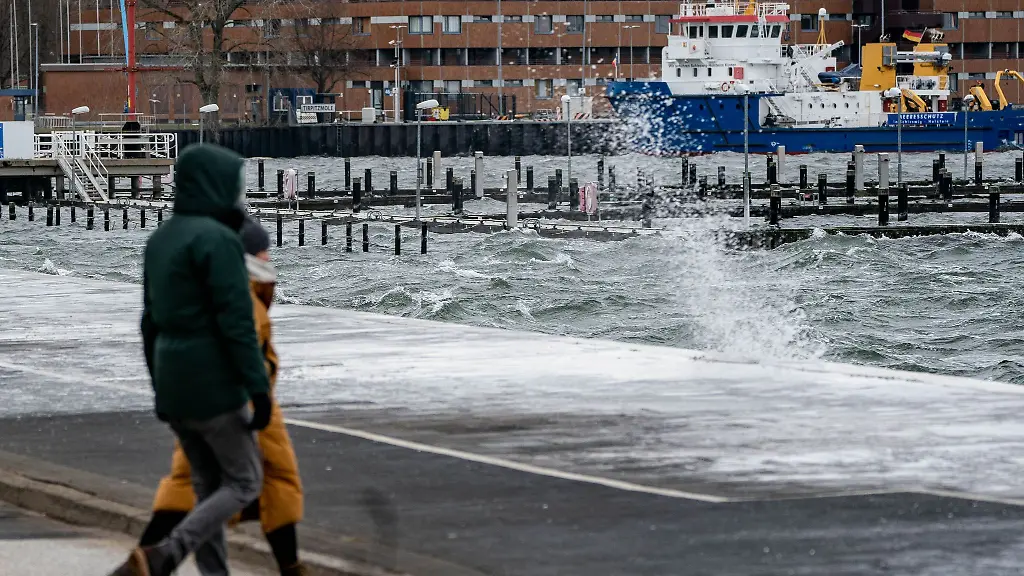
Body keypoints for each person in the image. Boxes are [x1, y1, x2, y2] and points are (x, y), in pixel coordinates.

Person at [111, 144, 272, 576]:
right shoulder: (218, 240)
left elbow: (149, 323)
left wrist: (159, 387)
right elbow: (237, 324)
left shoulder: (161, 239)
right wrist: (258, 388)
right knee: (244, 481)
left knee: (207, 486)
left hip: (173, 379)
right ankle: (166, 553)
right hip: (213, 383)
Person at [138, 215, 306, 576]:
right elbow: (246, 352)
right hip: (235, 404)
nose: (268, 259)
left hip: (195, 400)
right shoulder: (243, 298)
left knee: (200, 486)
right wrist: (257, 398)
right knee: (259, 481)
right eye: (262, 252)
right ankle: (155, 557)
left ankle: (149, 558)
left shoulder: (205, 289)